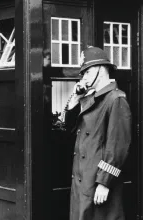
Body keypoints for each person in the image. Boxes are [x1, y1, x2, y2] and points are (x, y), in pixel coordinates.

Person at [64, 47, 132, 220]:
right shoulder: (89, 99)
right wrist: (75, 98)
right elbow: (68, 127)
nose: (84, 77)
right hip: (83, 181)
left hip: (97, 183)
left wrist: (104, 183)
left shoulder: (116, 99)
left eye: (87, 71)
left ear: (101, 69)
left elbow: (117, 147)